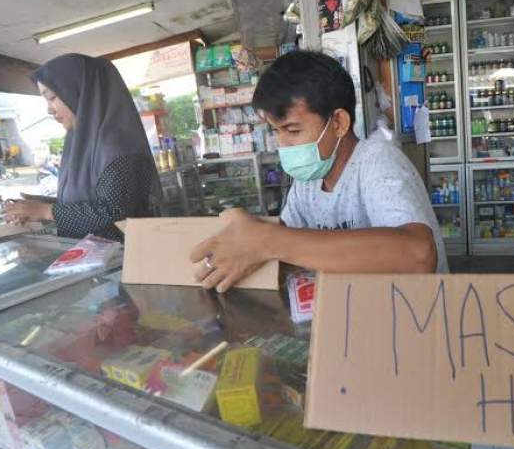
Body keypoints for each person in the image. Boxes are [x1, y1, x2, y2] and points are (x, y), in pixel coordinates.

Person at [191, 51, 447, 293]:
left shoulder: (377, 161)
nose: (283, 145)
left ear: (338, 123)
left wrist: (268, 240)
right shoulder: (308, 182)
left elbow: (419, 256)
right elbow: (288, 247)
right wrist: (249, 240)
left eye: (293, 130)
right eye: (275, 131)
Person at [4, 54, 158, 241]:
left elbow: (116, 213)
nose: (49, 110)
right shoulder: (81, 144)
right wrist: (36, 208)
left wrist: (45, 211)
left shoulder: (116, 148)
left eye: (52, 97)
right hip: (99, 259)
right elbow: (91, 201)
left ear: (81, 93)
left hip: (125, 261)